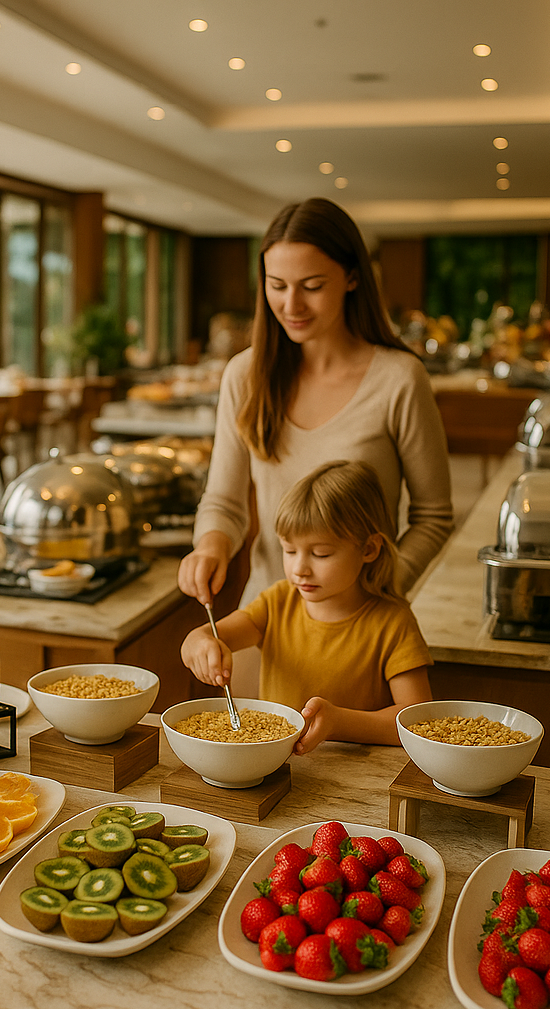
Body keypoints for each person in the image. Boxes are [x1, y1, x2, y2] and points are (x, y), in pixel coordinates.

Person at [178, 198, 452, 692]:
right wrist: (211, 545)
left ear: (352, 278)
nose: (292, 305)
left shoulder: (399, 379)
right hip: (265, 626)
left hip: (361, 634)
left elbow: (433, 517)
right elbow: (224, 501)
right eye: (277, 286)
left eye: (312, 286)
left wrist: (377, 593)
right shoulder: (246, 374)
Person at [180, 460, 433, 755]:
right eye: (289, 550)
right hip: (279, 766)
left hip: (357, 774)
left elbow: (418, 721)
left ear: (368, 549)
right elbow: (207, 637)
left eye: (320, 553)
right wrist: (198, 643)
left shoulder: (393, 623)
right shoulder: (277, 602)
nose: (300, 569)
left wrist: (339, 722)